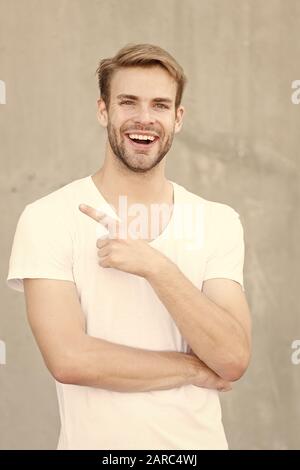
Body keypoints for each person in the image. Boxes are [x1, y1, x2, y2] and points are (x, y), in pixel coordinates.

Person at [7, 43, 251, 450]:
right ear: (103, 111)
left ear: (178, 118)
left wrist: (156, 267)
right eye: (128, 102)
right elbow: (70, 359)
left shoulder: (218, 221)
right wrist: (193, 368)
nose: (144, 118)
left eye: (159, 105)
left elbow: (231, 358)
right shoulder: (47, 217)